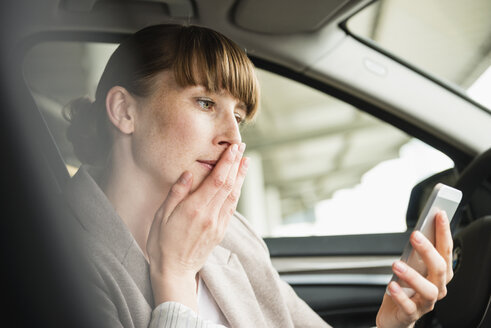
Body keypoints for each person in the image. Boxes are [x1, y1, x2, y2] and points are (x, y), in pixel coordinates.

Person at [64, 24, 454, 328]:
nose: (232, 137)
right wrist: (176, 277)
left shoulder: (233, 234)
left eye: (238, 117)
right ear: (124, 111)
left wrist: (389, 323)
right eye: (205, 102)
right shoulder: (58, 260)